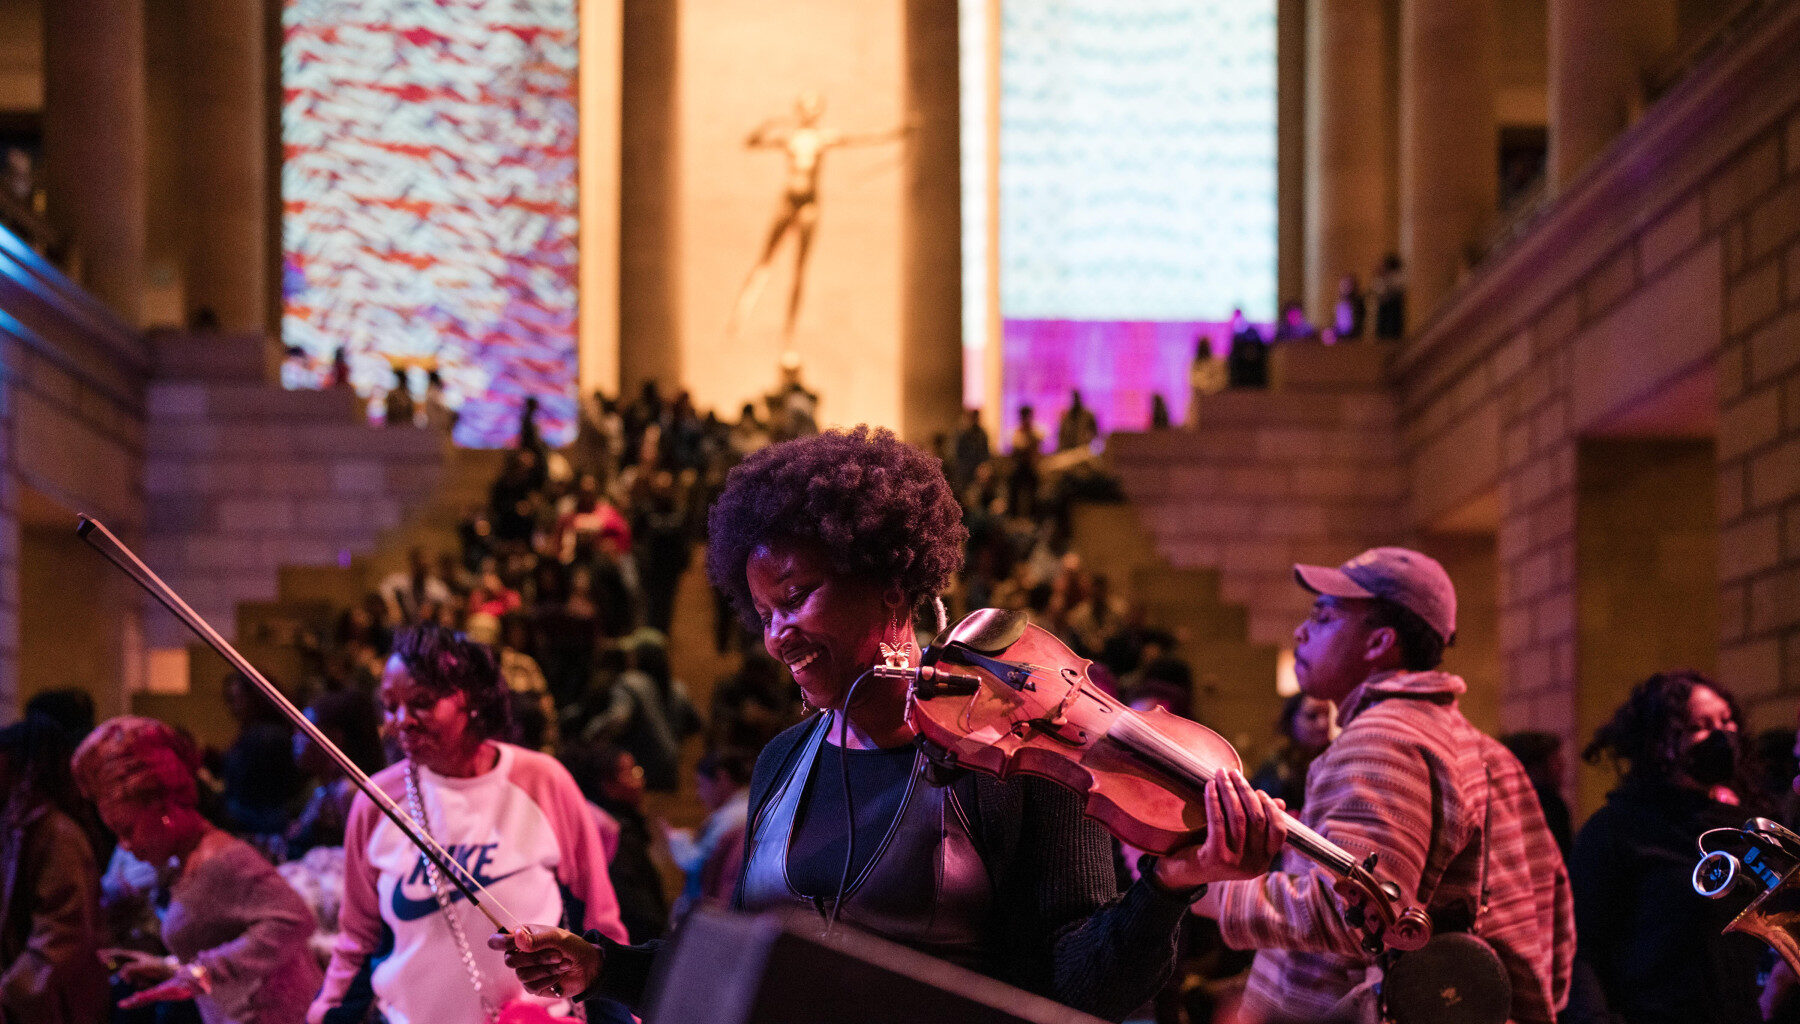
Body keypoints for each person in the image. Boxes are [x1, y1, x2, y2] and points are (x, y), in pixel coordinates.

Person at [493, 426, 1288, 1022]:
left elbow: (1081, 990)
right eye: (764, 612)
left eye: (798, 596)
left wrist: (1171, 886)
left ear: (886, 577)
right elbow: (755, 962)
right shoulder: (781, 761)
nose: (778, 635)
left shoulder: (1016, 754)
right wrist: (603, 966)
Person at [1205, 546, 1573, 1024]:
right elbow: (1556, 921)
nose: (1300, 631)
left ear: (1379, 643)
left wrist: (1200, 885)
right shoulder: (1481, 746)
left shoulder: (1384, 739)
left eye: (1323, 616)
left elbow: (1353, 916)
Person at [309, 626, 628, 1024]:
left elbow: (601, 920)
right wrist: (324, 1010)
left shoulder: (542, 780)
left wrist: (623, 1012)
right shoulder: (376, 801)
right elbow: (357, 939)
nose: (401, 721)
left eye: (422, 703)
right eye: (390, 706)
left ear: (473, 700)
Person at [72, 717, 321, 1024]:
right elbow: (231, 947)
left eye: (128, 830)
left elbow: (295, 919)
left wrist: (202, 972)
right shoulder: (187, 859)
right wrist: (169, 968)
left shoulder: (221, 858)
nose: (124, 846)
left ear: (162, 808)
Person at [1565, 670, 1764, 1024]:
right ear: (1660, 743)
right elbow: (1583, 950)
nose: (1723, 735)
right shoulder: (1617, 830)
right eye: (1701, 726)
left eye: (1727, 720)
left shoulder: (1743, 826)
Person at [0, 714, 108, 1024]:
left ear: (23, 766)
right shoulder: (21, 829)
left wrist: (9, 994)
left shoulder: (58, 836)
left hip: (56, 1008)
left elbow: (61, 934)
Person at [286, 690, 386, 858]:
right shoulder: (324, 788)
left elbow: (359, 859)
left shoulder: (348, 792)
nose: (295, 739)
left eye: (304, 732)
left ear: (334, 739)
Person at [666, 747, 754, 920]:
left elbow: (698, 862)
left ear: (722, 778)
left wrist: (676, 839)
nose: (699, 794)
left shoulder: (732, 817)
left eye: (701, 784)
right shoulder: (744, 808)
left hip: (721, 910)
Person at [1249, 693, 1336, 815]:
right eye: (1312, 716)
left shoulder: (1339, 758)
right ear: (1291, 720)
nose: (1323, 723)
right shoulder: (1274, 768)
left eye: (1326, 714)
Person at [1500, 730, 1573, 859]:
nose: (1563, 765)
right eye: (1555, 760)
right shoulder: (1551, 806)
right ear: (1535, 768)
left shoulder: (1503, 803)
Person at [1335, 273, 1367, 341]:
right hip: (1340, 336)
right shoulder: (1340, 302)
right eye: (1343, 284)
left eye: (1348, 284)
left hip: (1353, 337)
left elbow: (1359, 322)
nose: (1345, 287)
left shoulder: (1358, 302)